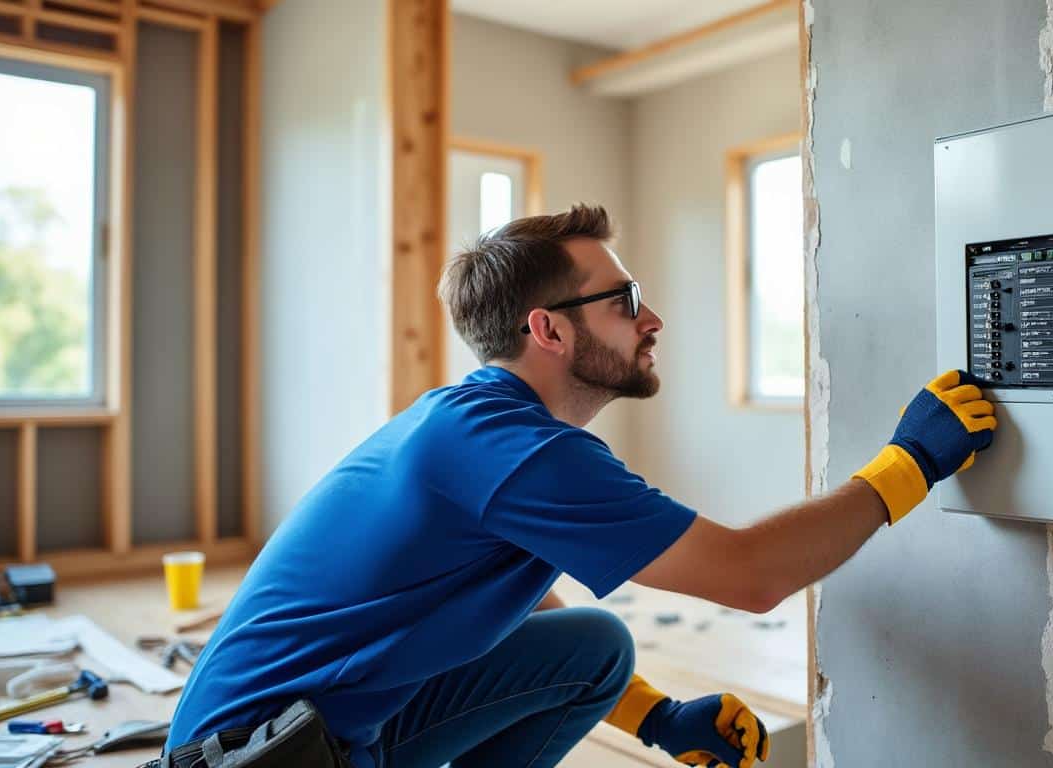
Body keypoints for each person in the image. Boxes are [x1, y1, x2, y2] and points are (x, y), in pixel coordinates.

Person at [162, 204, 995, 768]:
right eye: (625, 299)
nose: (652, 318)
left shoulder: (484, 427)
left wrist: (657, 720)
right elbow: (748, 575)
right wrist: (908, 464)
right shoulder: (507, 445)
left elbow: (513, 599)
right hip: (264, 756)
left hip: (332, 728)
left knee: (596, 646)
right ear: (548, 330)